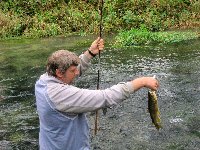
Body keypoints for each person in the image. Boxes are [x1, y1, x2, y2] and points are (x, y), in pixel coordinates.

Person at [35, 37, 159, 150]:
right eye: (73, 71)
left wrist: (90, 53)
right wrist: (141, 82)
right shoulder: (60, 95)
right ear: (59, 72)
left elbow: (73, 70)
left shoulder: (43, 81)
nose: (77, 73)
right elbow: (106, 97)